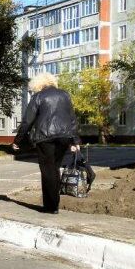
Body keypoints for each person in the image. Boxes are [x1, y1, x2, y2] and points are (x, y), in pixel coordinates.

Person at [12, 72, 81, 214]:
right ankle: (54, 205)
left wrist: (17, 140)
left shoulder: (38, 96)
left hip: (45, 138)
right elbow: (72, 119)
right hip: (64, 137)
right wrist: (75, 140)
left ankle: (51, 207)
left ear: (38, 84)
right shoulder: (65, 95)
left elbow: (27, 121)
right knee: (54, 169)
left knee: (47, 171)